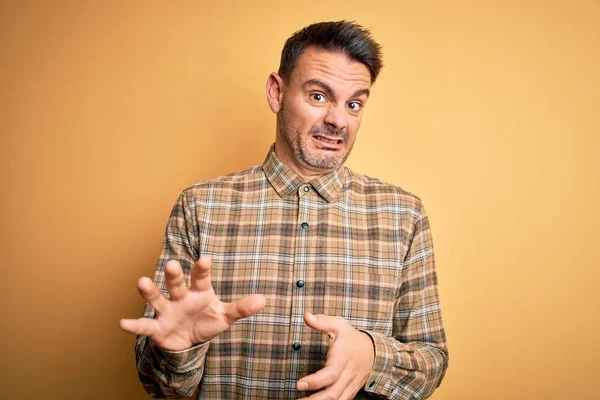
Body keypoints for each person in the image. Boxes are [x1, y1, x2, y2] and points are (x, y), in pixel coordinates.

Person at [120, 20, 448, 400]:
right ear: (277, 92)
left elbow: (431, 360)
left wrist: (374, 355)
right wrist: (177, 349)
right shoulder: (200, 207)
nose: (338, 120)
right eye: (319, 96)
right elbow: (163, 386)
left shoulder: (403, 215)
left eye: (354, 103)